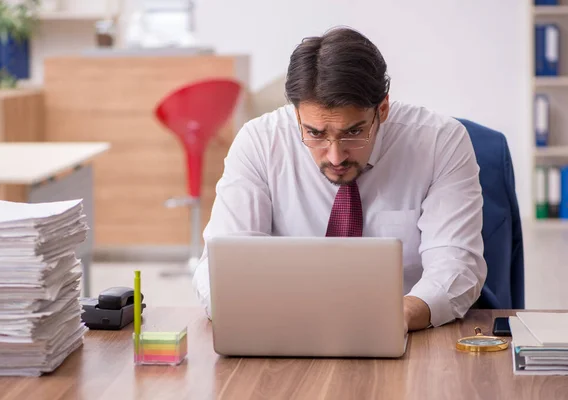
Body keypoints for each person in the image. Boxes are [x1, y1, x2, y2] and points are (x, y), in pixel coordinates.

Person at [192, 26, 486, 332]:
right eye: (315, 134)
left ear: (382, 109)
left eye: (353, 132)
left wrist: (404, 313)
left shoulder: (440, 142)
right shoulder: (260, 142)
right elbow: (220, 266)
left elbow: (456, 265)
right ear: (296, 116)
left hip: (407, 334)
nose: (335, 157)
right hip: (287, 331)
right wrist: (243, 308)